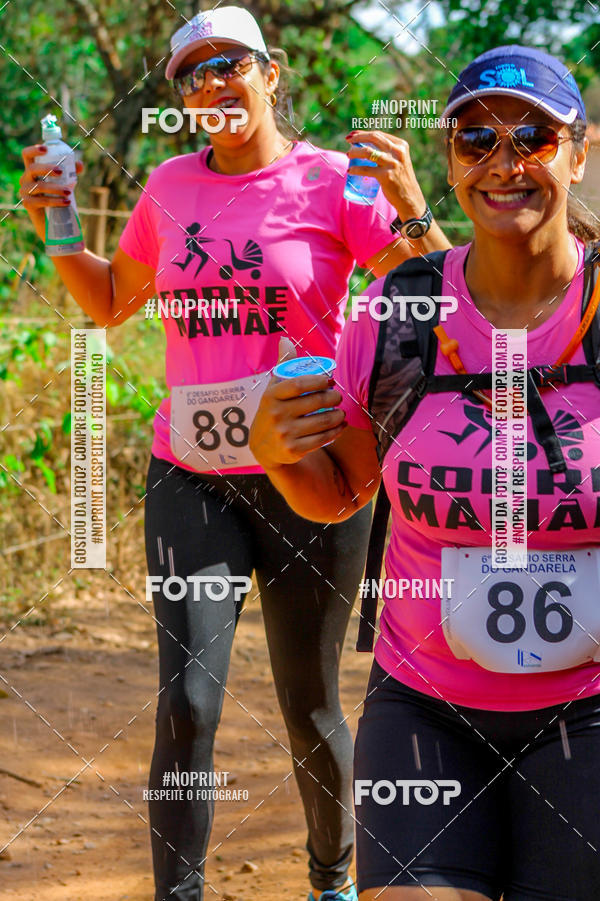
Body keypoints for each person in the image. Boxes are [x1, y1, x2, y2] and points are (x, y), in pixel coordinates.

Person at [19, 6, 450, 900]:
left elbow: (443, 297)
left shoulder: (336, 184)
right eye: (193, 76)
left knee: (311, 705)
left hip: (317, 478)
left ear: (272, 73)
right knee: (188, 702)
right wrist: (59, 228)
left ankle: (331, 877)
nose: (213, 86)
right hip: (192, 472)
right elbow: (111, 301)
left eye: (231, 67)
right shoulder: (170, 187)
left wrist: (415, 213)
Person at [249, 45, 600, 901]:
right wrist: (276, 452)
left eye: (534, 137)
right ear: (449, 163)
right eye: (474, 140)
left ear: (580, 152)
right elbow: (340, 495)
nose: (504, 161)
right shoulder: (399, 312)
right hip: (425, 706)